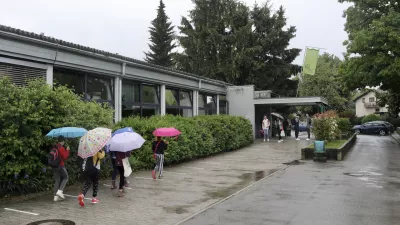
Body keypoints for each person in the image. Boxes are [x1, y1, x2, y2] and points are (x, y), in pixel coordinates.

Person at [52, 136, 70, 202]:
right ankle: (60, 191)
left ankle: (55, 197)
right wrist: (67, 150)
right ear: (62, 141)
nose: (64, 143)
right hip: (60, 166)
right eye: (63, 141)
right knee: (66, 177)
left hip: (54, 166)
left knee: (57, 180)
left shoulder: (54, 147)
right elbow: (65, 157)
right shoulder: (61, 148)